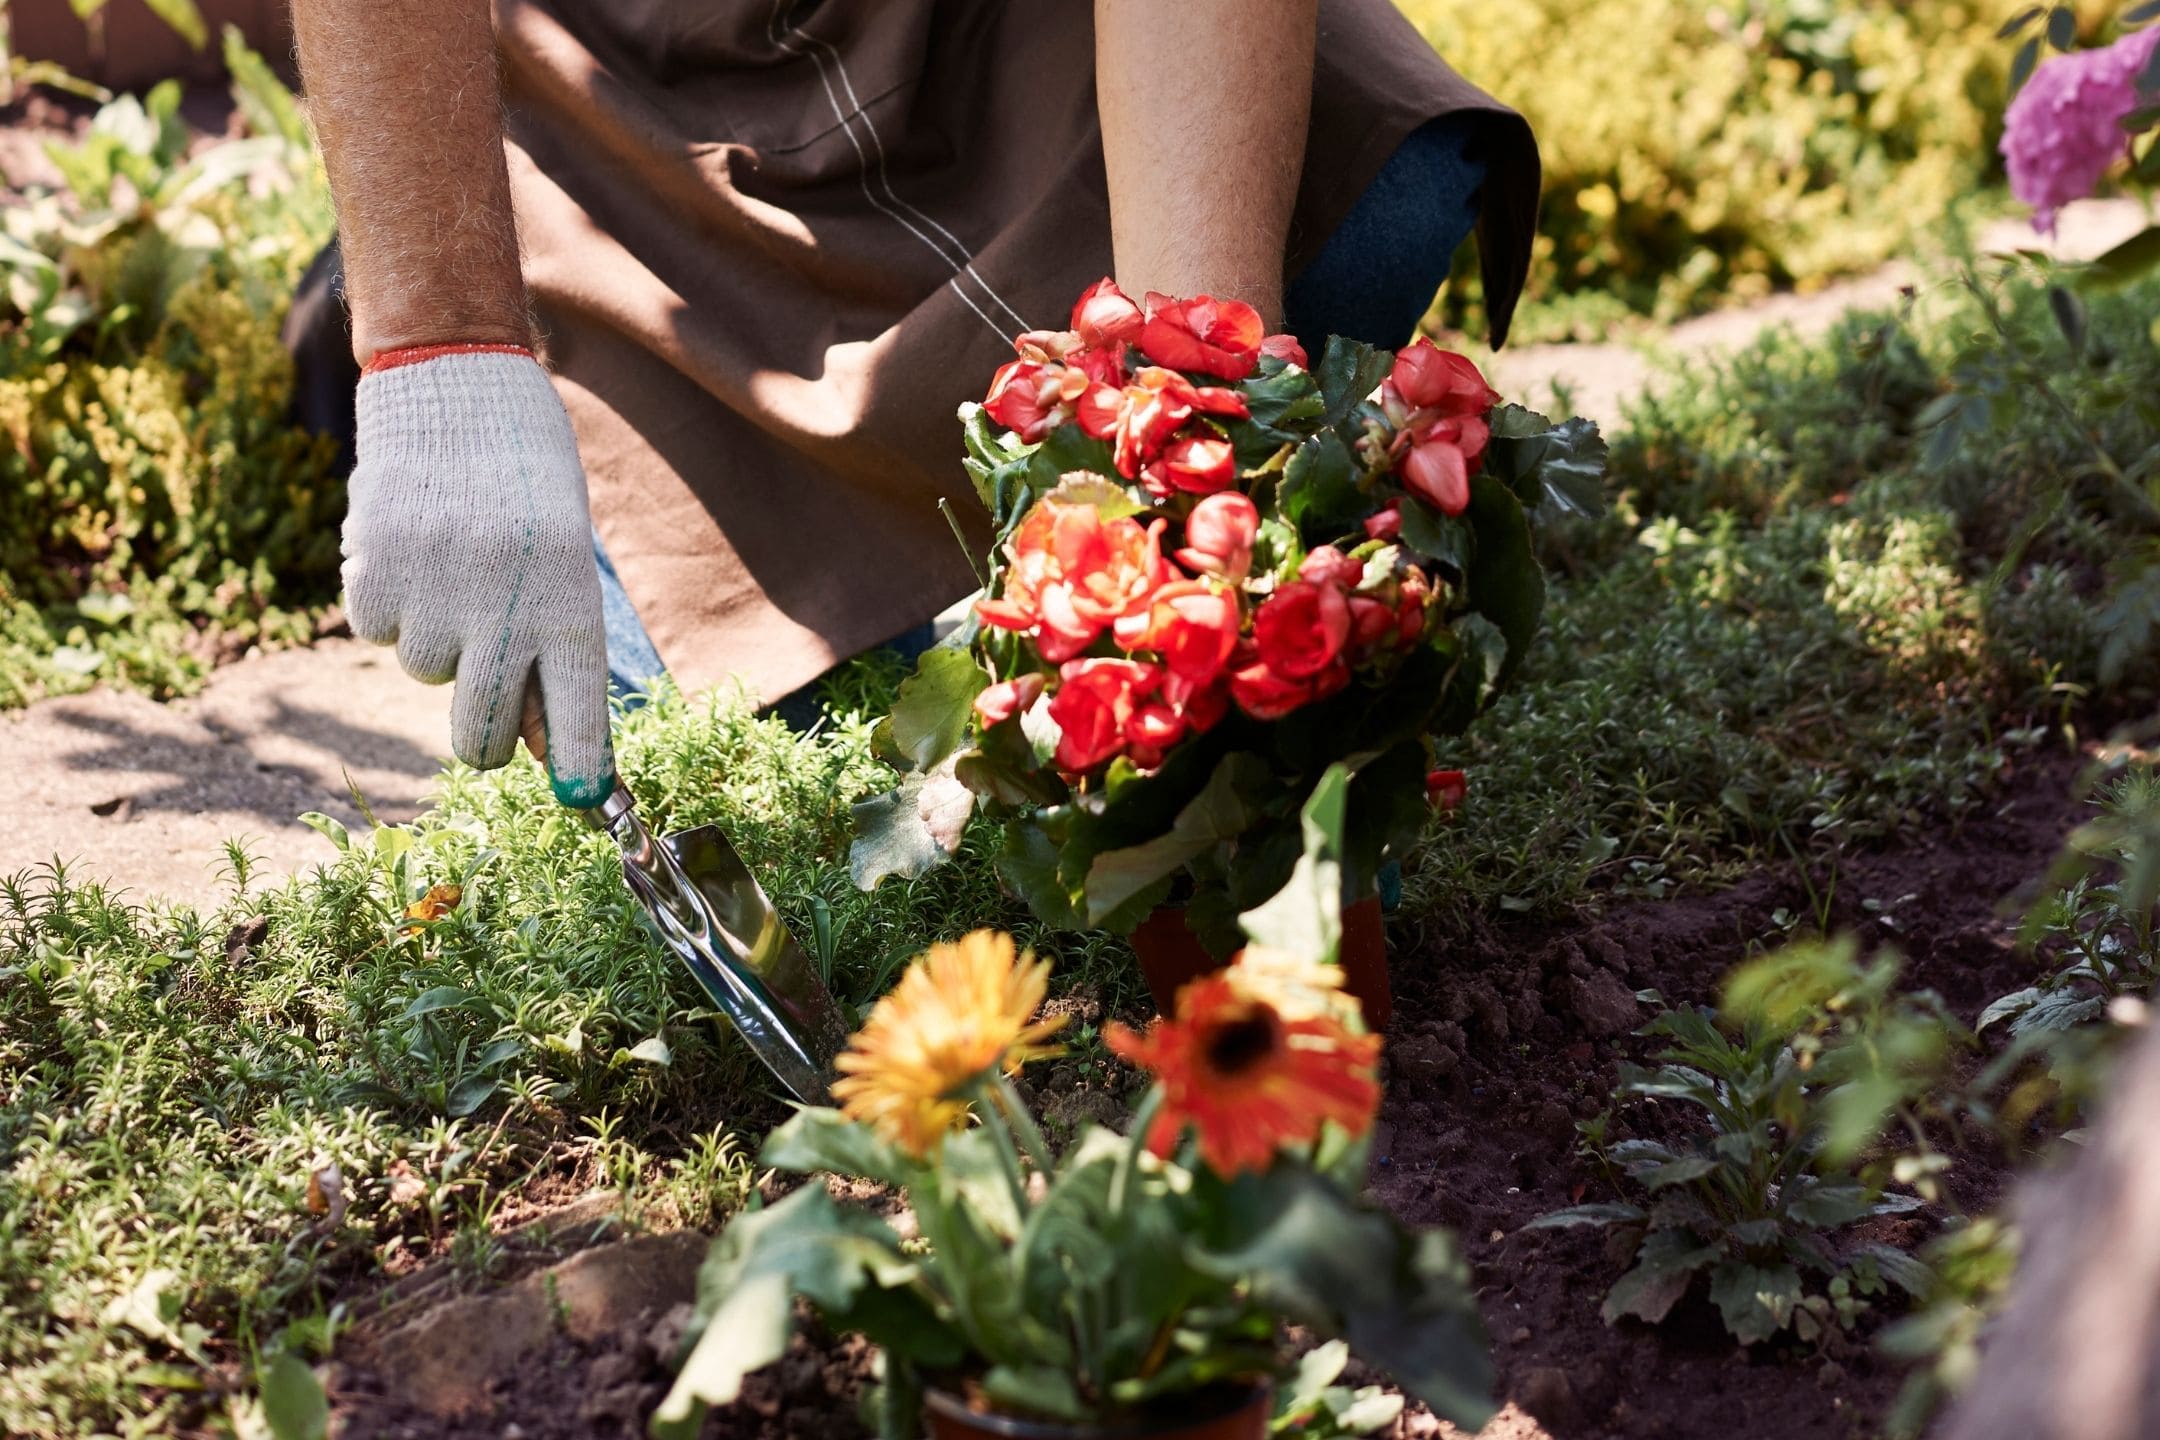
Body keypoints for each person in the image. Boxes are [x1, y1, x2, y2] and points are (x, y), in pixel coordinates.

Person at [288, 0, 1539, 808]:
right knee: (705, 697)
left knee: (1378, 210)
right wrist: (441, 356)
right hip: (632, 112)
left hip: (1016, 47)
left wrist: (1186, 414)